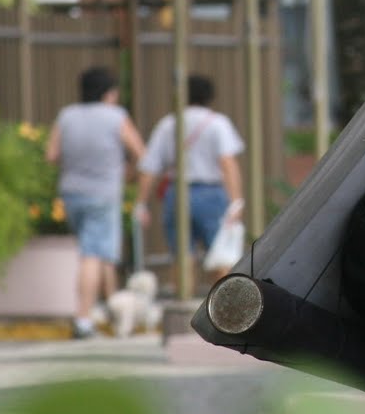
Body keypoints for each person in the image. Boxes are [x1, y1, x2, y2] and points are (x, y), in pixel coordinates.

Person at [46, 65, 147, 339]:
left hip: (71, 193)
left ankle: (110, 309)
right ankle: (83, 320)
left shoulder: (66, 115)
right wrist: (130, 173)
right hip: (102, 193)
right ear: (108, 93)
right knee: (93, 254)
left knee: (102, 253)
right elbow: (141, 152)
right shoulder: (116, 116)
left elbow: (52, 154)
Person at [133, 74, 245, 283]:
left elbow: (150, 167)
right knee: (221, 255)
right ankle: (225, 308)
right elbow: (228, 164)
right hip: (212, 193)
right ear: (210, 96)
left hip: (177, 192)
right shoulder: (217, 123)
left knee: (182, 256)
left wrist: (141, 203)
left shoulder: (168, 124)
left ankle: (184, 302)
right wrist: (236, 200)